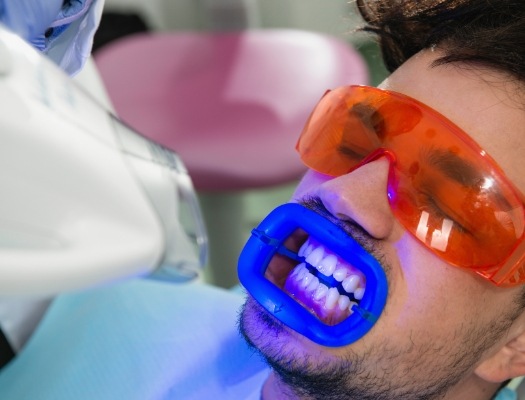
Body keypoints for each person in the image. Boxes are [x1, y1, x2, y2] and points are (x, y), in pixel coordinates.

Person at [238, 0, 525, 399]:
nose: (342, 193)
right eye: (355, 143)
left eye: (449, 205)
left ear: (517, 343)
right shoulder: (124, 319)